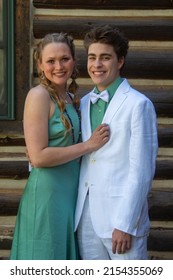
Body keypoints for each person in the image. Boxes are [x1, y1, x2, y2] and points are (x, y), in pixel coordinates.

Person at [10, 32, 109, 260]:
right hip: (47, 195)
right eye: (51, 61)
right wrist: (89, 145)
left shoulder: (70, 97)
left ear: (74, 61)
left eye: (64, 59)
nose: (58, 66)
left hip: (69, 194)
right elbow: (38, 157)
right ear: (40, 65)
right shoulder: (38, 95)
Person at [75, 25, 158, 260]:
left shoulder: (138, 105)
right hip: (86, 219)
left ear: (120, 61)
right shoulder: (82, 104)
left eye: (105, 58)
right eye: (92, 58)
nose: (97, 65)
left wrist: (125, 223)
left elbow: (142, 171)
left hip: (121, 222)